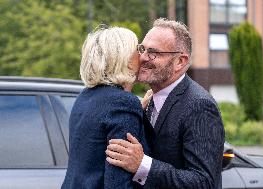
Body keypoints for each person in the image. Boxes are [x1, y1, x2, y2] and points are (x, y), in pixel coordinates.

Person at [106, 18, 225, 189]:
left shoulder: (200, 106)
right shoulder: (149, 101)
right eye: (142, 49)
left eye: (153, 52)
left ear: (180, 62)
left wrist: (143, 165)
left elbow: (204, 182)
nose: (143, 58)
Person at [61, 26, 149, 189]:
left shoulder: (85, 96)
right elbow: (118, 181)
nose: (142, 55)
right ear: (124, 59)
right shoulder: (123, 103)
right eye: (138, 49)